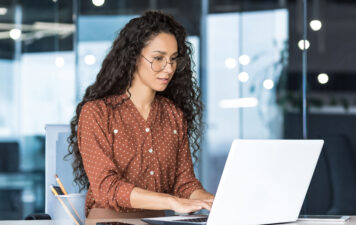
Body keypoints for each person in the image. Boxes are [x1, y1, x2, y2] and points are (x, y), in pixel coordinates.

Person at [67, 10, 214, 219]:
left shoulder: (173, 115)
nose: (168, 68)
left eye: (173, 59)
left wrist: (211, 201)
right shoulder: (97, 113)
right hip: (109, 221)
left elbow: (185, 183)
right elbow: (106, 187)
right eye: (158, 58)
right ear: (133, 57)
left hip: (158, 220)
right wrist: (171, 201)